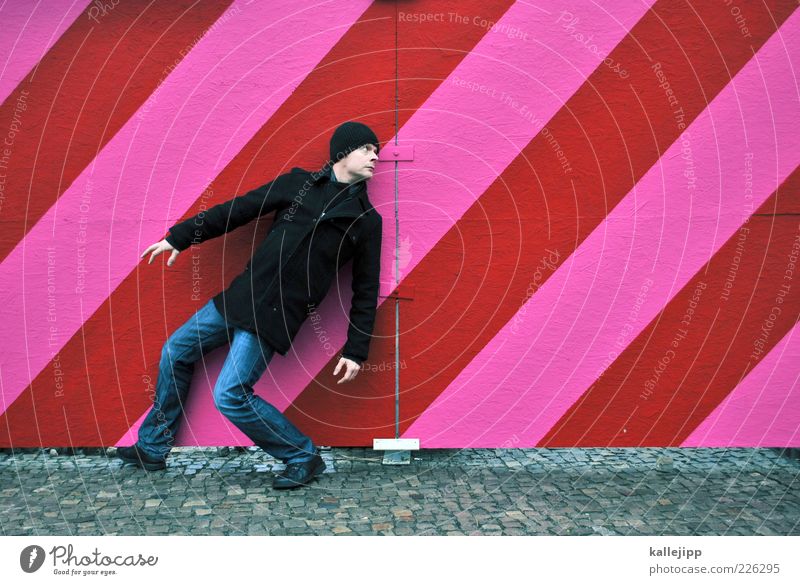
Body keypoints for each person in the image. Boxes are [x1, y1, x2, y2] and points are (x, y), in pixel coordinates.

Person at [116, 121, 383, 489]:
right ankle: (153, 446)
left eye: (377, 150)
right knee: (175, 351)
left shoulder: (367, 221)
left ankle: (302, 455)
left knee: (229, 395)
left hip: (274, 316)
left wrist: (356, 349)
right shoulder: (297, 185)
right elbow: (238, 210)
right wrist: (180, 236)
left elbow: (366, 289)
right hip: (241, 296)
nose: (375, 156)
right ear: (343, 152)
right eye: (367, 148)